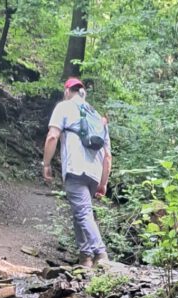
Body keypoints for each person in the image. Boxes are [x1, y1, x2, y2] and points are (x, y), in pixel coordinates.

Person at [43, 78, 112, 267]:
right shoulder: (97, 116)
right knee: (79, 212)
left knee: (83, 213)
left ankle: (101, 255)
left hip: (75, 168)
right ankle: (85, 258)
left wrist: (46, 164)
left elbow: (52, 136)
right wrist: (103, 182)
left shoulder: (64, 107)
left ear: (67, 91)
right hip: (94, 172)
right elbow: (107, 156)